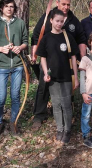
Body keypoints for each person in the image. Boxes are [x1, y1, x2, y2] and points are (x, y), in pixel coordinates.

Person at [30, 0, 87, 130]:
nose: (66, 7)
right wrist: (34, 55)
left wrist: (83, 59)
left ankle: (67, 115)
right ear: (57, 3)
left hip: (67, 63)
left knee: (68, 89)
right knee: (44, 87)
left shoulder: (74, 21)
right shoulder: (47, 17)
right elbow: (37, 35)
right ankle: (39, 115)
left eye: (68, 4)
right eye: (63, 4)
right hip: (49, 61)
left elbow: (81, 40)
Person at [0, 0, 28, 139]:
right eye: (7, 6)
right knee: (1, 97)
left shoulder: (20, 23)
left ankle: (13, 123)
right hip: (0, 66)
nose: (10, 9)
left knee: (15, 96)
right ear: (1, 8)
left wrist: (19, 48)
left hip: (17, 66)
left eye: (12, 6)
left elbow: (26, 41)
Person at [35, 9, 79, 144]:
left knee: (66, 104)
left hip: (66, 77)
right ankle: (59, 129)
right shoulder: (46, 38)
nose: (59, 24)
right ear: (51, 21)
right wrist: (45, 73)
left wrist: (75, 77)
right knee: (56, 104)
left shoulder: (67, 37)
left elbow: (73, 58)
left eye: (62, 21)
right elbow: (42, 57)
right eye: (57, 21)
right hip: (52, 78)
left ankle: (67, 130)